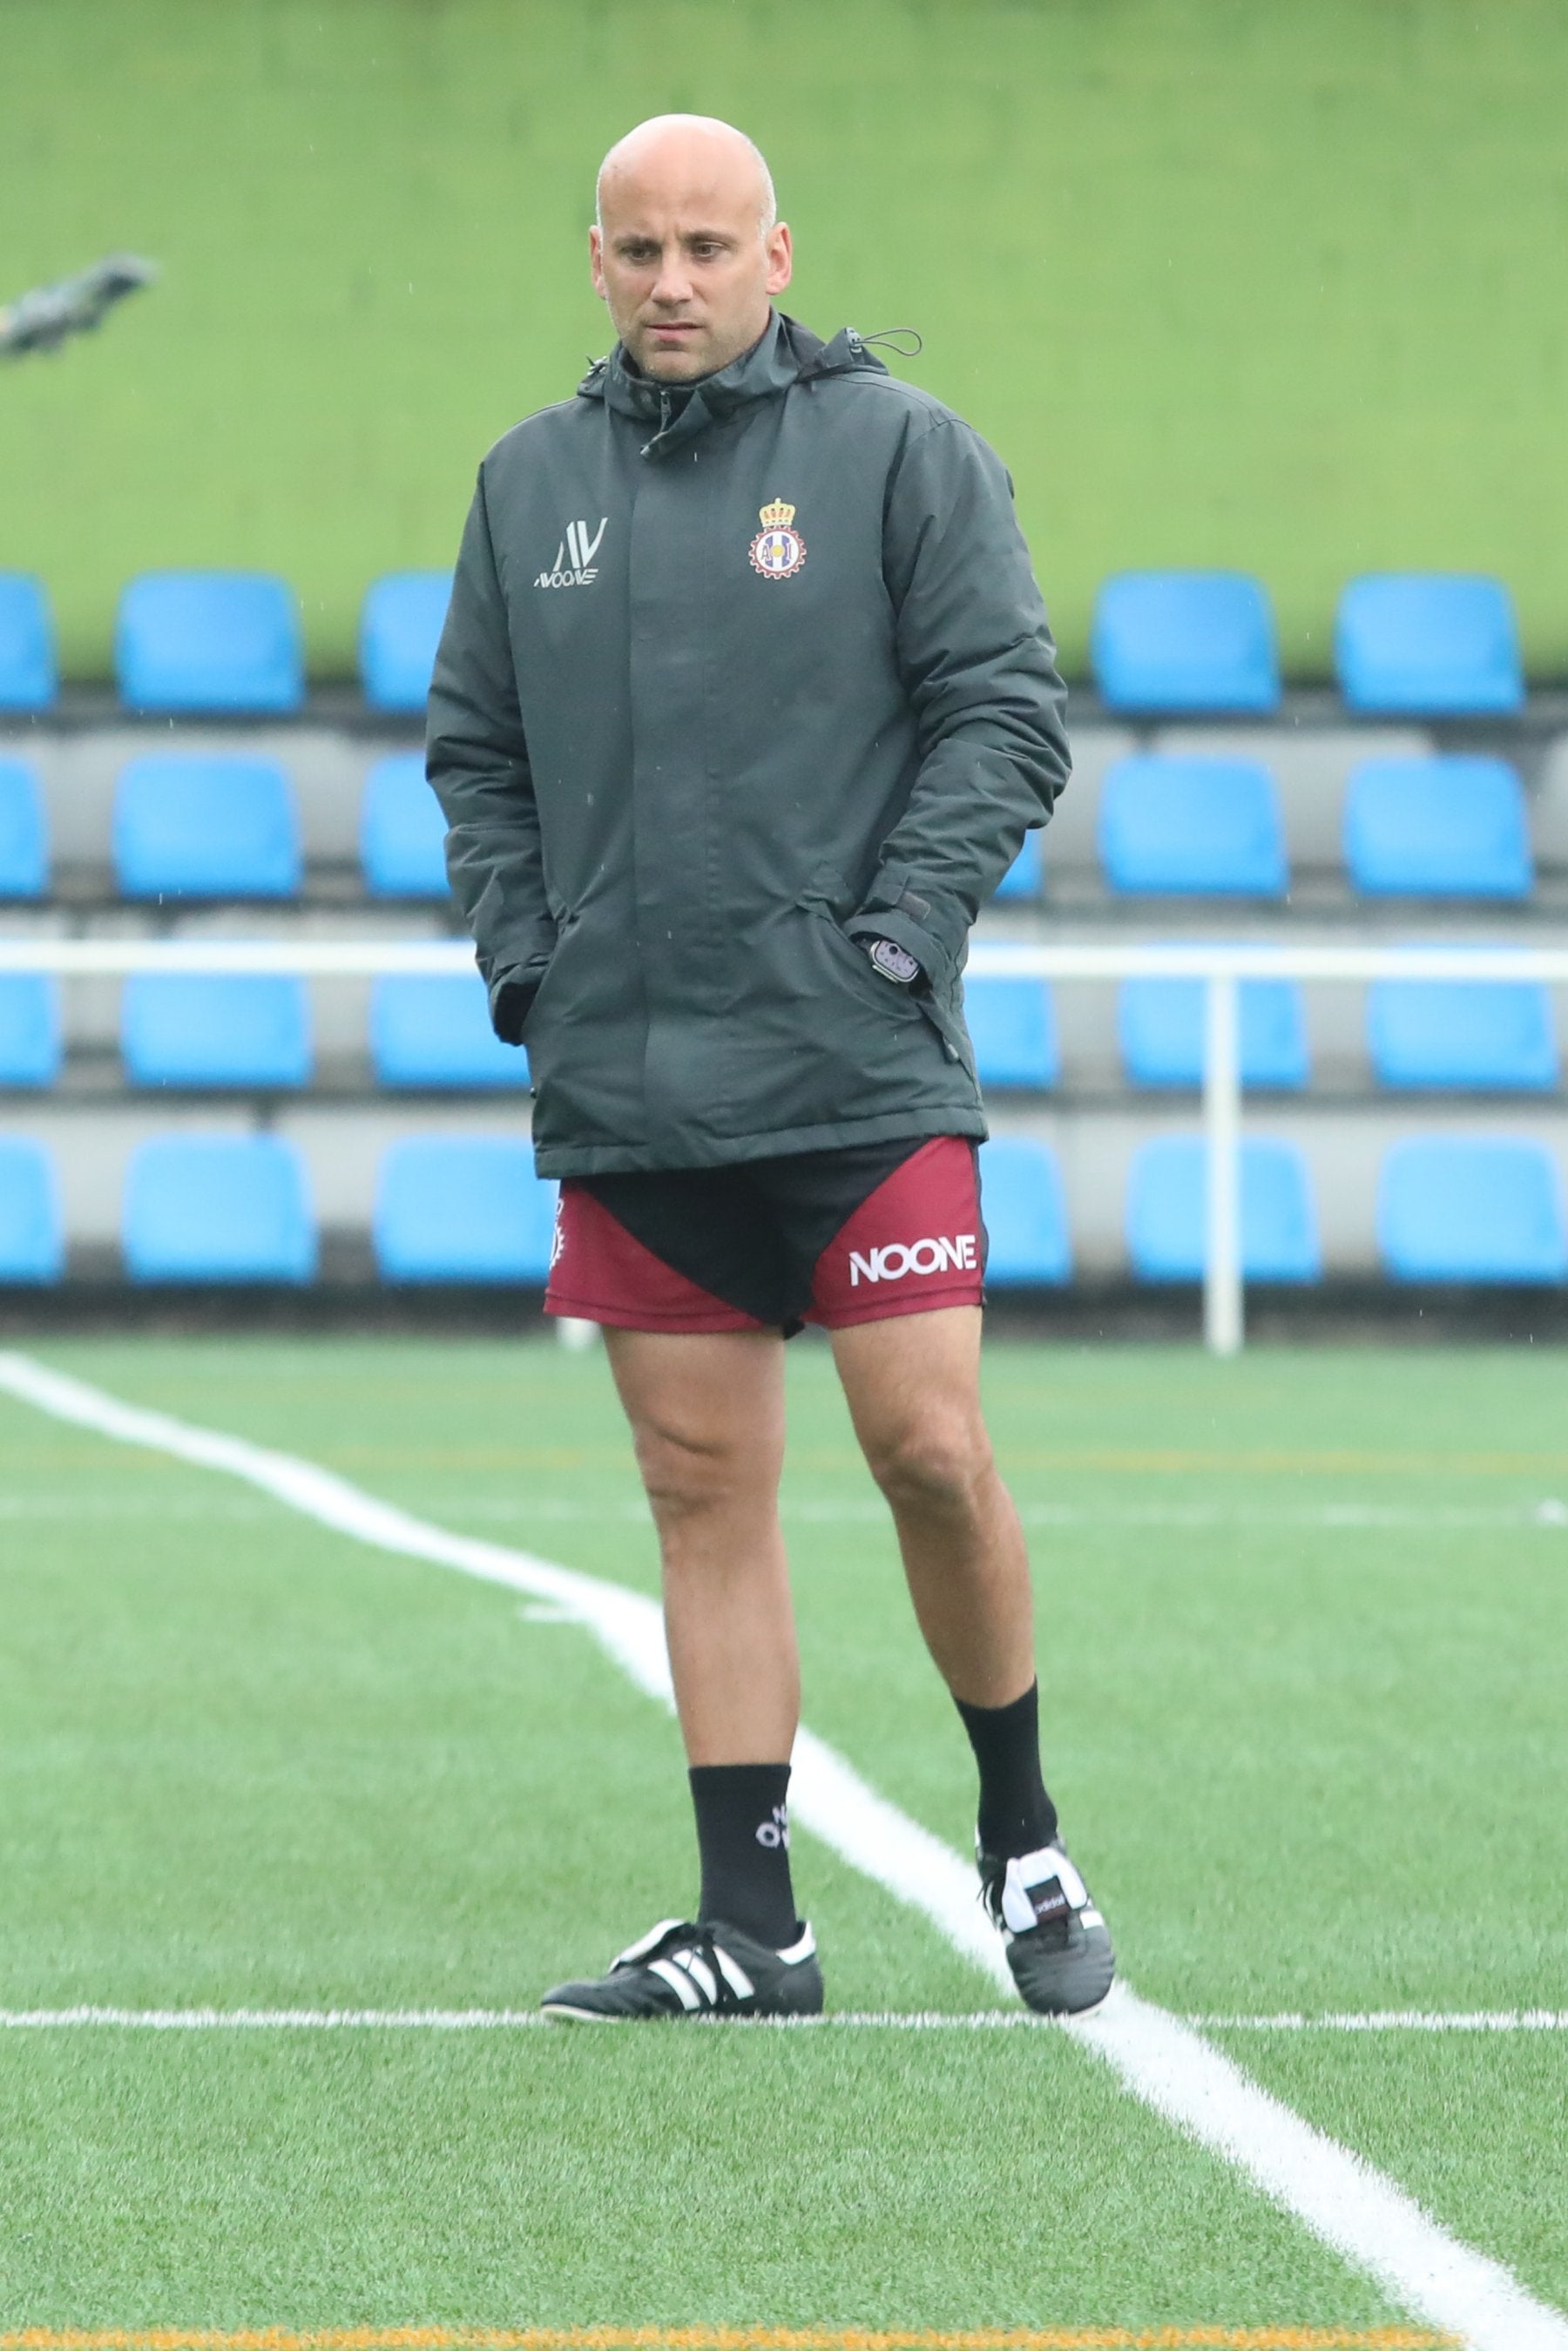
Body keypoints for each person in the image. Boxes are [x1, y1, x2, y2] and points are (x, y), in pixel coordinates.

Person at [426, 113, 1112, 2022]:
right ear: (595, 261)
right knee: (698, 1489)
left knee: (933, 1453)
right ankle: (754, 1929)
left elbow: (1006, 712)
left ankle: (1023, 1833)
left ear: (777, 256)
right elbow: (474, 751)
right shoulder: (525, 482)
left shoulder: (902, 453)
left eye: (708, 249)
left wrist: (897, 935)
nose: (673, 283)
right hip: (632, 1079)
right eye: (639, 250)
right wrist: (528, 967)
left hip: (860, 1065)